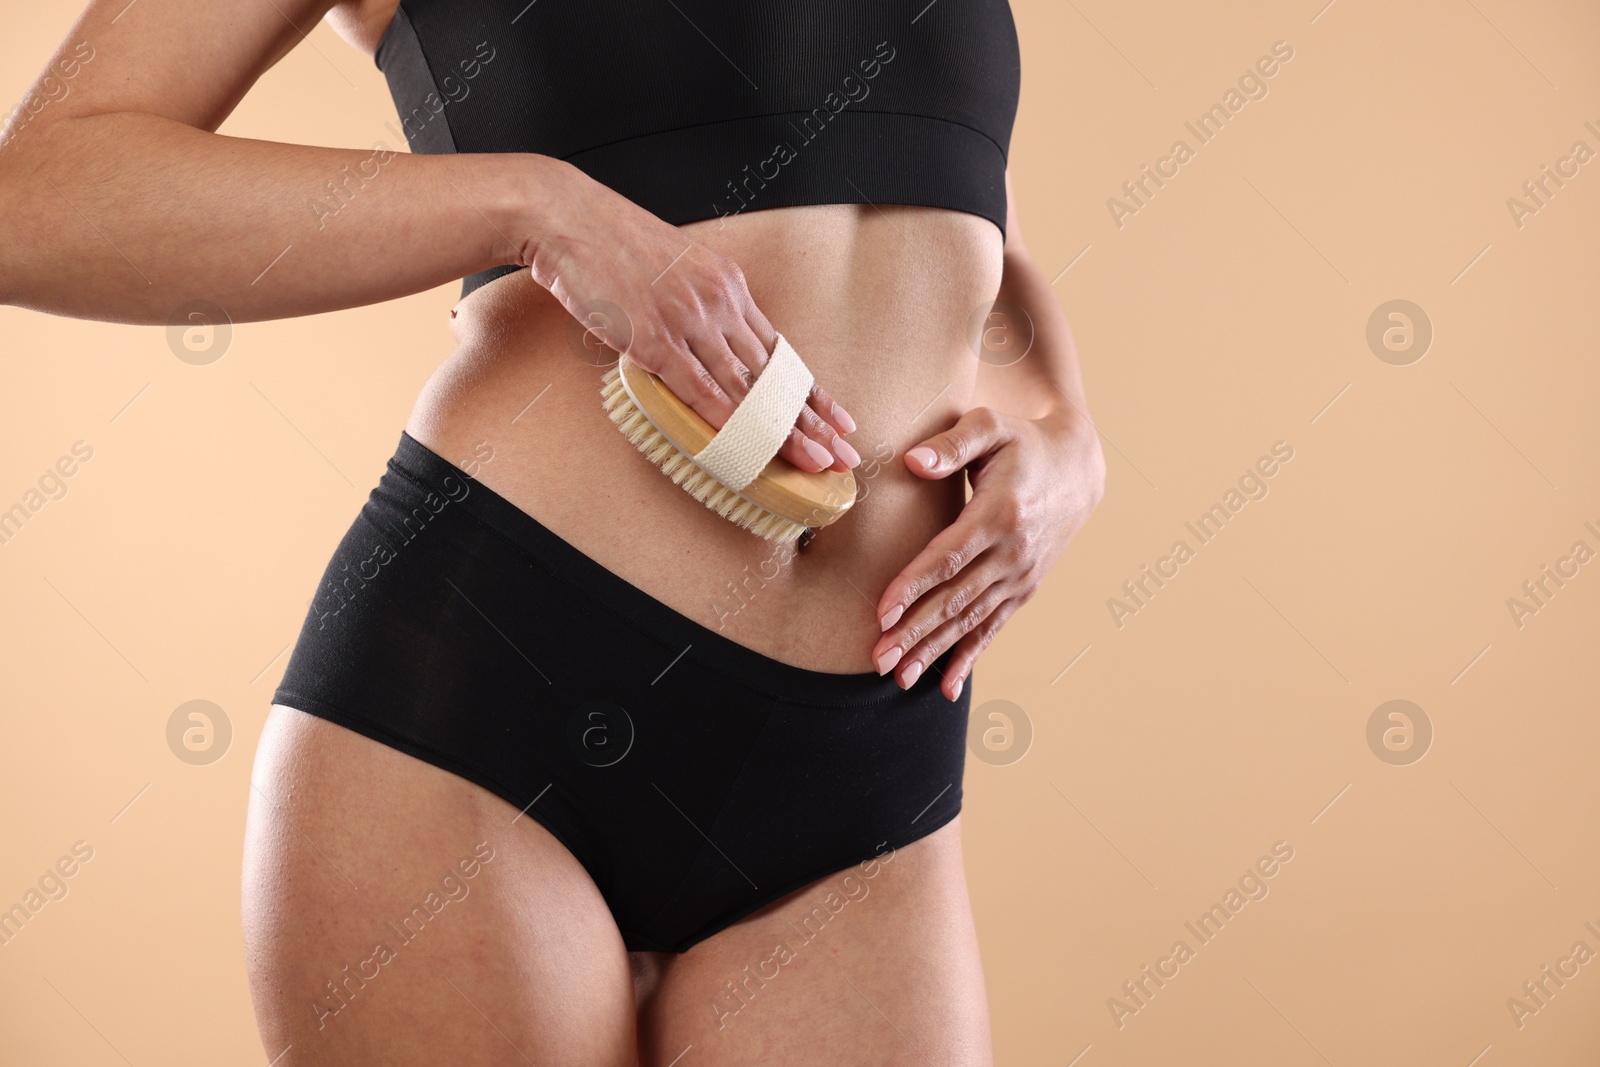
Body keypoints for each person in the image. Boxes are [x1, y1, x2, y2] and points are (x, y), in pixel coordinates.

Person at [0, 0, 1104, 1061]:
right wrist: (536, 210)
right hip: (489, 704)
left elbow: (959, 199)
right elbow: (36, 199)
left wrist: (1064, 426)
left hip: (867, 753)